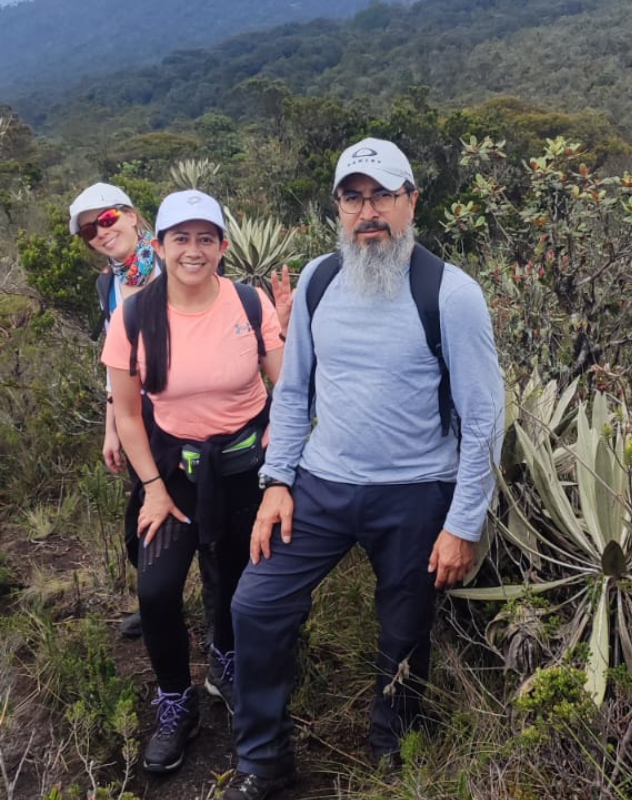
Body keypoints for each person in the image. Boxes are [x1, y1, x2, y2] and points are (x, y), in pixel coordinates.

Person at [224, 138, 504, 799]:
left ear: (412, 201)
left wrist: (462, 524)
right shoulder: (320, 281)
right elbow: (292, 395)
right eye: (353, 197)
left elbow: (483, 420)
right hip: (321, 486)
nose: (368, 210)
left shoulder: (451, 294)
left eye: (382, 195)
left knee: (403, 632)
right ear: (338, 208)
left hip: (414, 493)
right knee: (255, 605)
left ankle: (392, 749)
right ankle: (263, 758)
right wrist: (278, 483)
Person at [101, 189, 286, 774]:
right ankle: (175, 697)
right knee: (155, 591)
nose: (193, 250)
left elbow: (288, 387)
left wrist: (279, 456)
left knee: (234, 583)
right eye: (181, 237)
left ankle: (225, 663)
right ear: (159, 245)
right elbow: (129, 413)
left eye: (207, 238)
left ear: (224, 246)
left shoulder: (251, 305)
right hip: (172, 475)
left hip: (242, 470)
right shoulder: (133, 316)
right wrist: (152, 487)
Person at [70, 182, 162, 638]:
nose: (101, 234)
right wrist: (112, 428)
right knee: (142, 516)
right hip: (135, 414)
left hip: (189, 411)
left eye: (106, 220)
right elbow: (115, 364)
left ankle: (219, 623)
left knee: (207, 521)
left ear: (130, 215)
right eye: (89, 231)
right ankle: (158, 601)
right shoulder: (109, 283)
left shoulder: (174, 263)